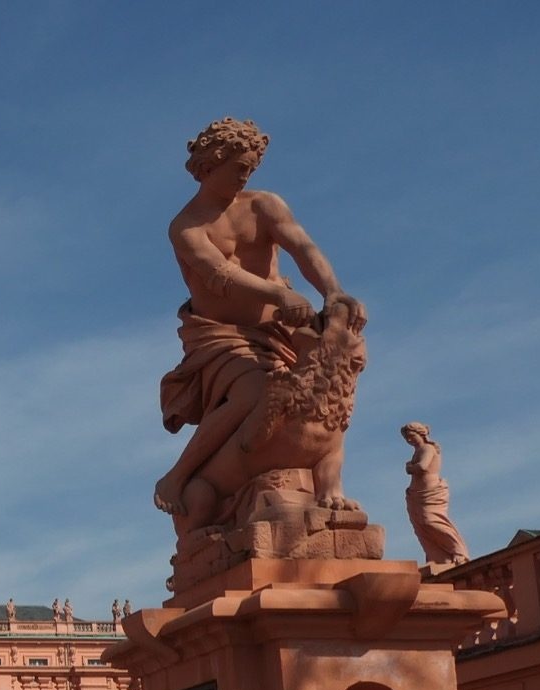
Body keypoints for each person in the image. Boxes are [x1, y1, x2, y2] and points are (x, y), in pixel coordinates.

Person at [153, 118, 364, 530]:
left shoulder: (264, 205)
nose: (246, 175)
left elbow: (303, 247)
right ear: (212, 164)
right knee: (255, 391)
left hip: (280, 329)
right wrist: (279, 294)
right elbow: (220, 275)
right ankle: (177, 476)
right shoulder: (186, 227)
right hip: (220, 335)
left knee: (322, 392)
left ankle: (313, 482)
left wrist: (333, 291)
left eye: (251, 167)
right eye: (239, 167)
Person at [402, 423, 470, 568]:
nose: (409, 440)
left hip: (430, 494)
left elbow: (423, 466)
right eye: (407, 438)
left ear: (420, 434)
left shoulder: (428, 448)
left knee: (431, 521)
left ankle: (458, 551)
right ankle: (439, 558)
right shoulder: (417, 451)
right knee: (421, 525)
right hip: (417, 495)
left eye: (411, 436)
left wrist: (410, 467)